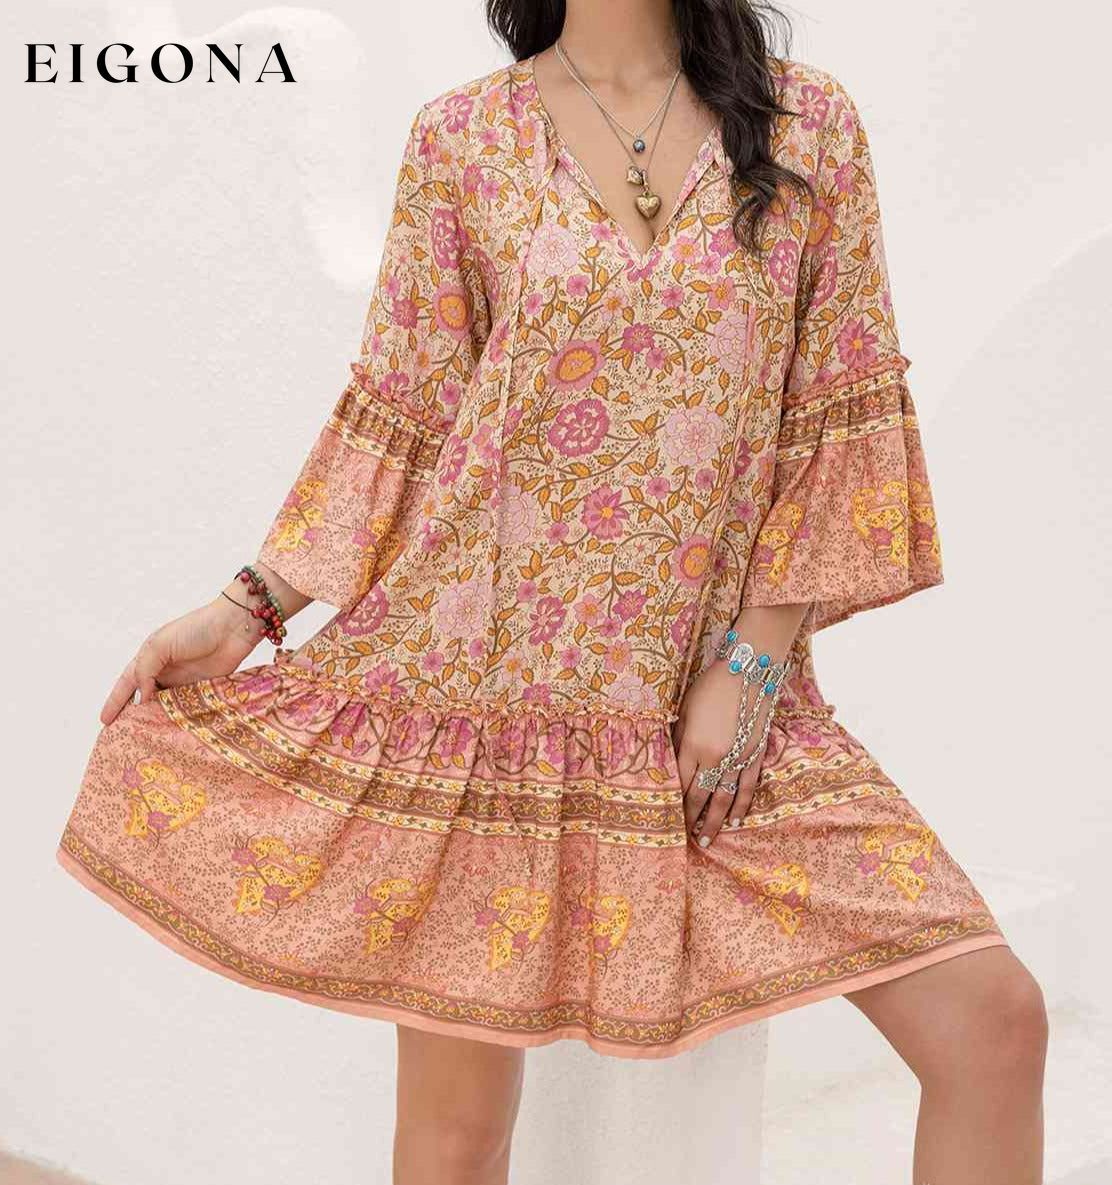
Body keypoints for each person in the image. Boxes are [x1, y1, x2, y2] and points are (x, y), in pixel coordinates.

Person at [56, 2, 1048, 1182]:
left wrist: (751, 661)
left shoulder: (804, 129)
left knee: (992, 1024)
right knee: (455, 1140)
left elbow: (829, 411)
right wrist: (248, 605)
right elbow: (406, 411)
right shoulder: (461, 139)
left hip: (719, 710)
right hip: (481, 710)